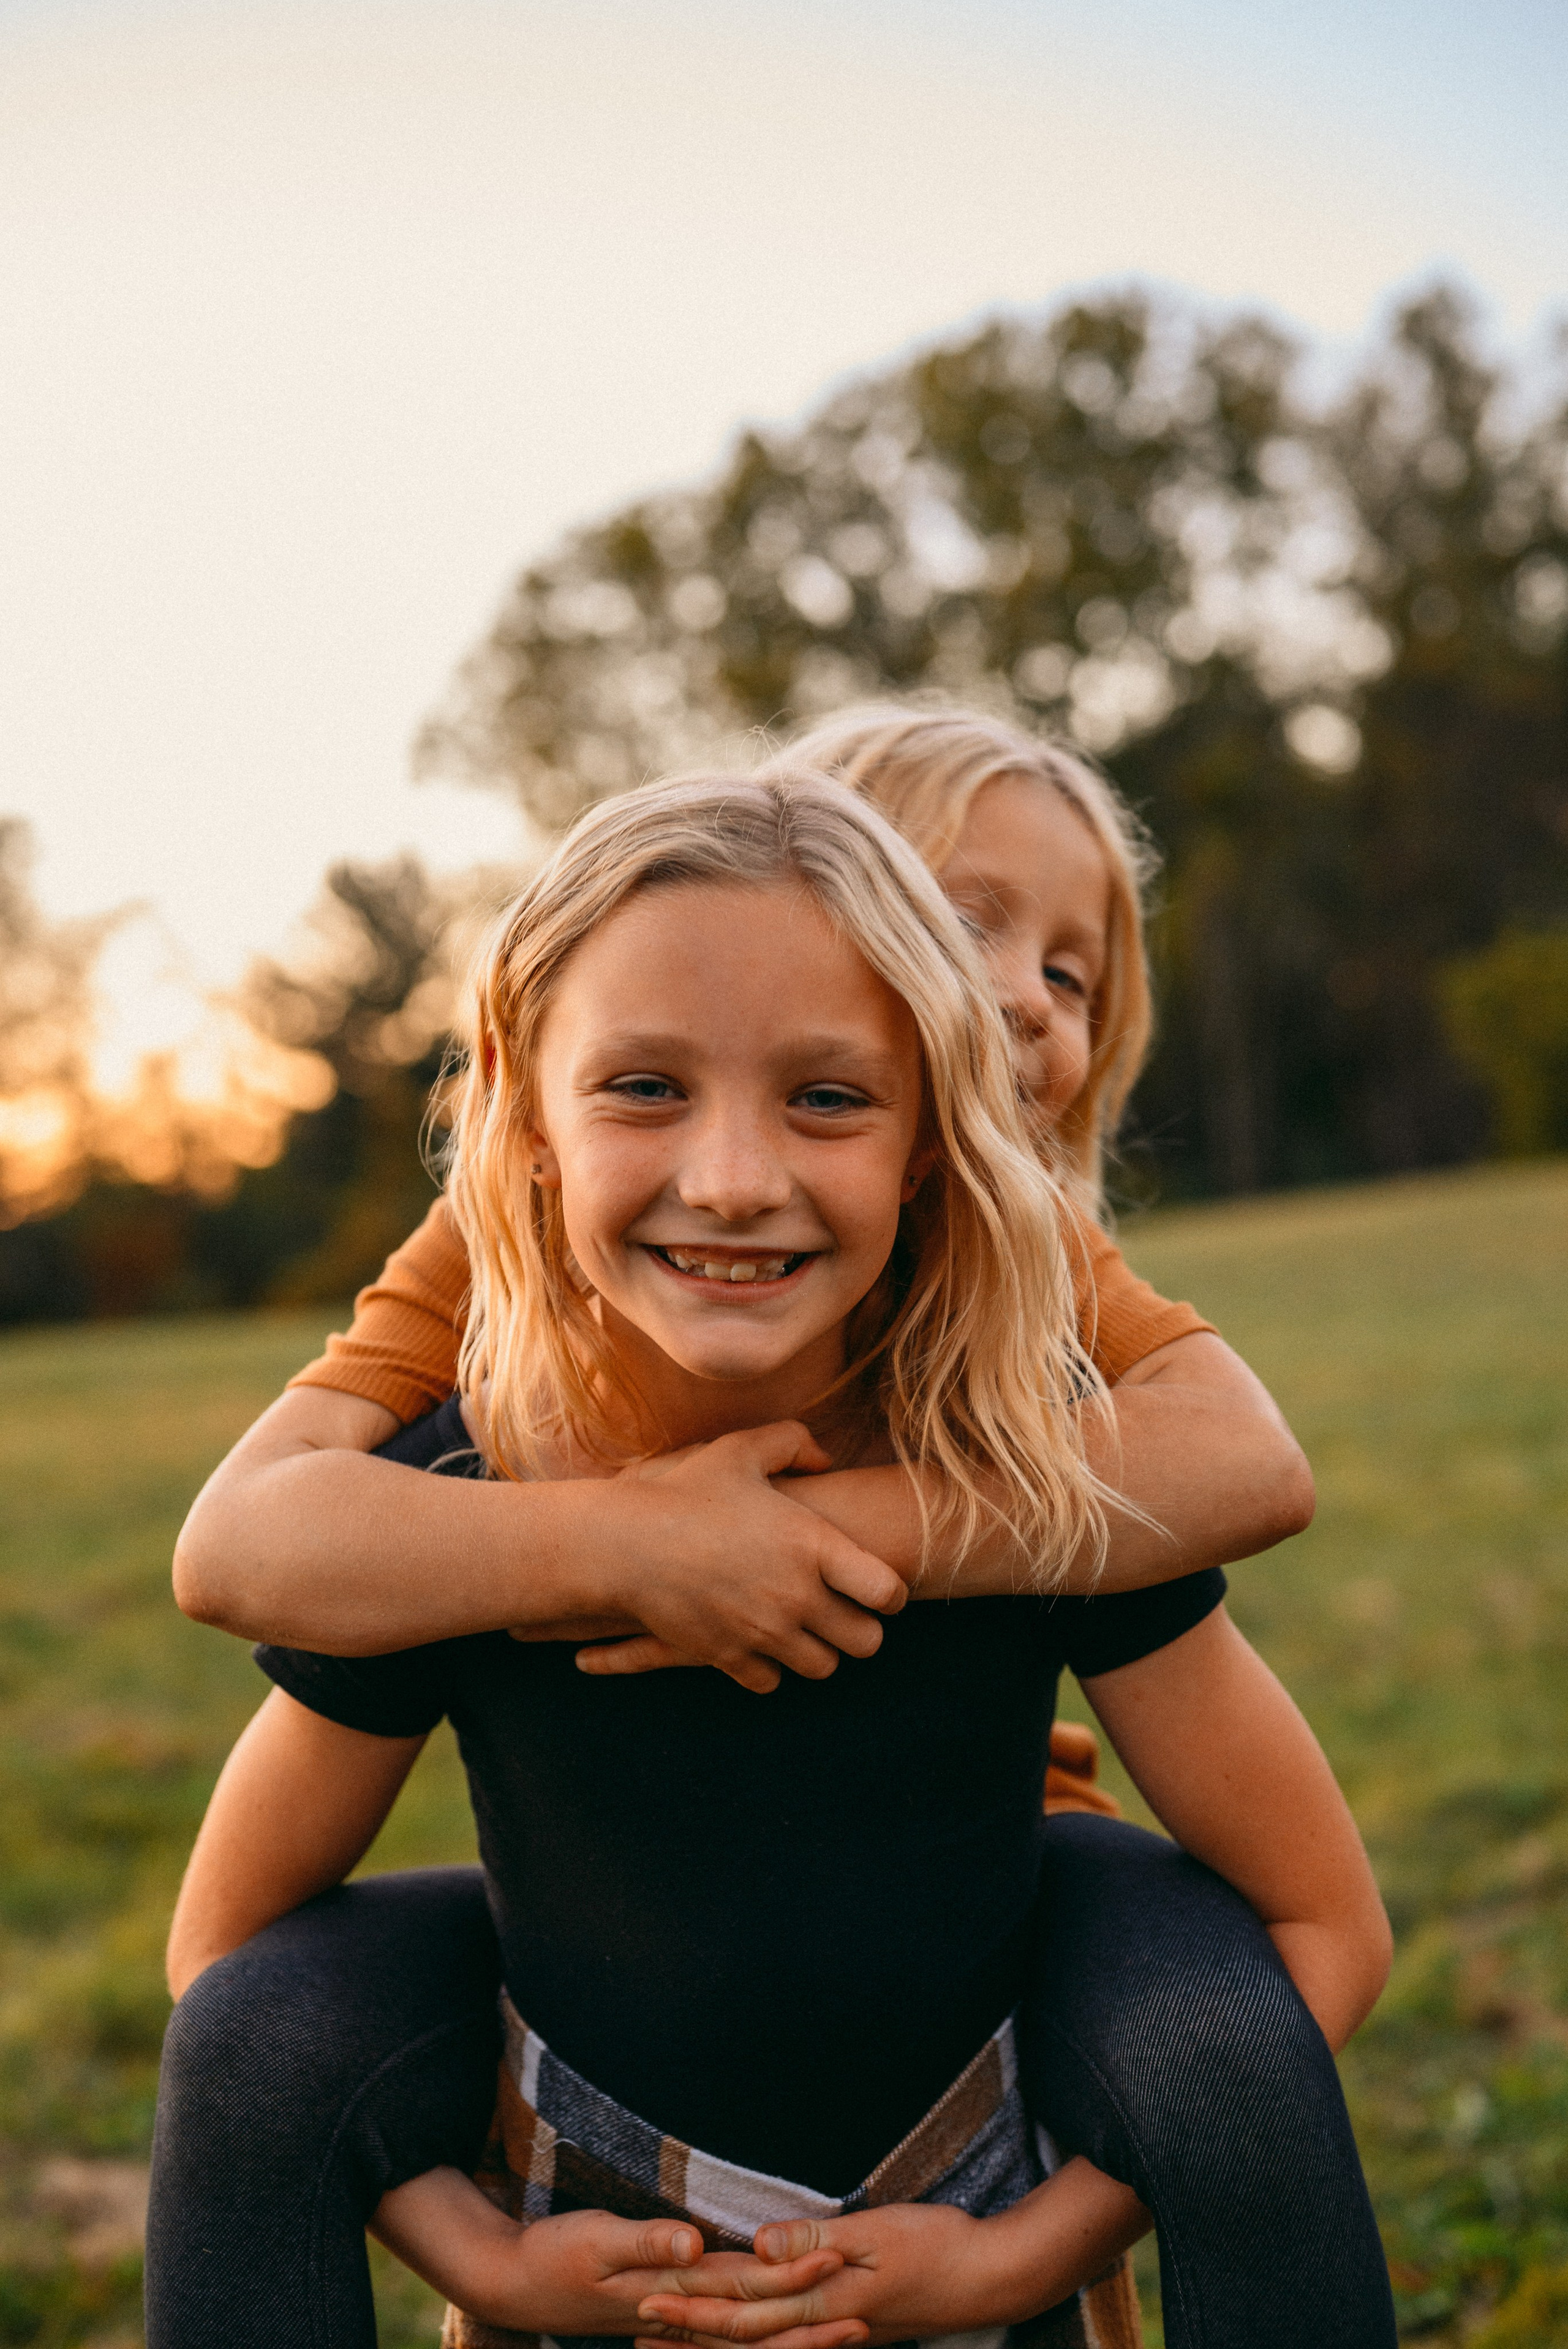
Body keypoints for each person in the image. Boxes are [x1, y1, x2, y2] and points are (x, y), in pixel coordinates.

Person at [150, 767, 1395, 2349]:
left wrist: (1025, 2257)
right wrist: (480, 2254)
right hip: (588, 2223)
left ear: (938, 1142)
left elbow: (1322, 1923)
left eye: (827, 1098)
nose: (734, 1177)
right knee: (266, 2026)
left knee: (1221, 2031)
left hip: (970, 2191)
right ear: (523, 1114)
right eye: (645, 1088)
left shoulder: (1047, 1468)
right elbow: (227, 1965)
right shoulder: (451, 1493)